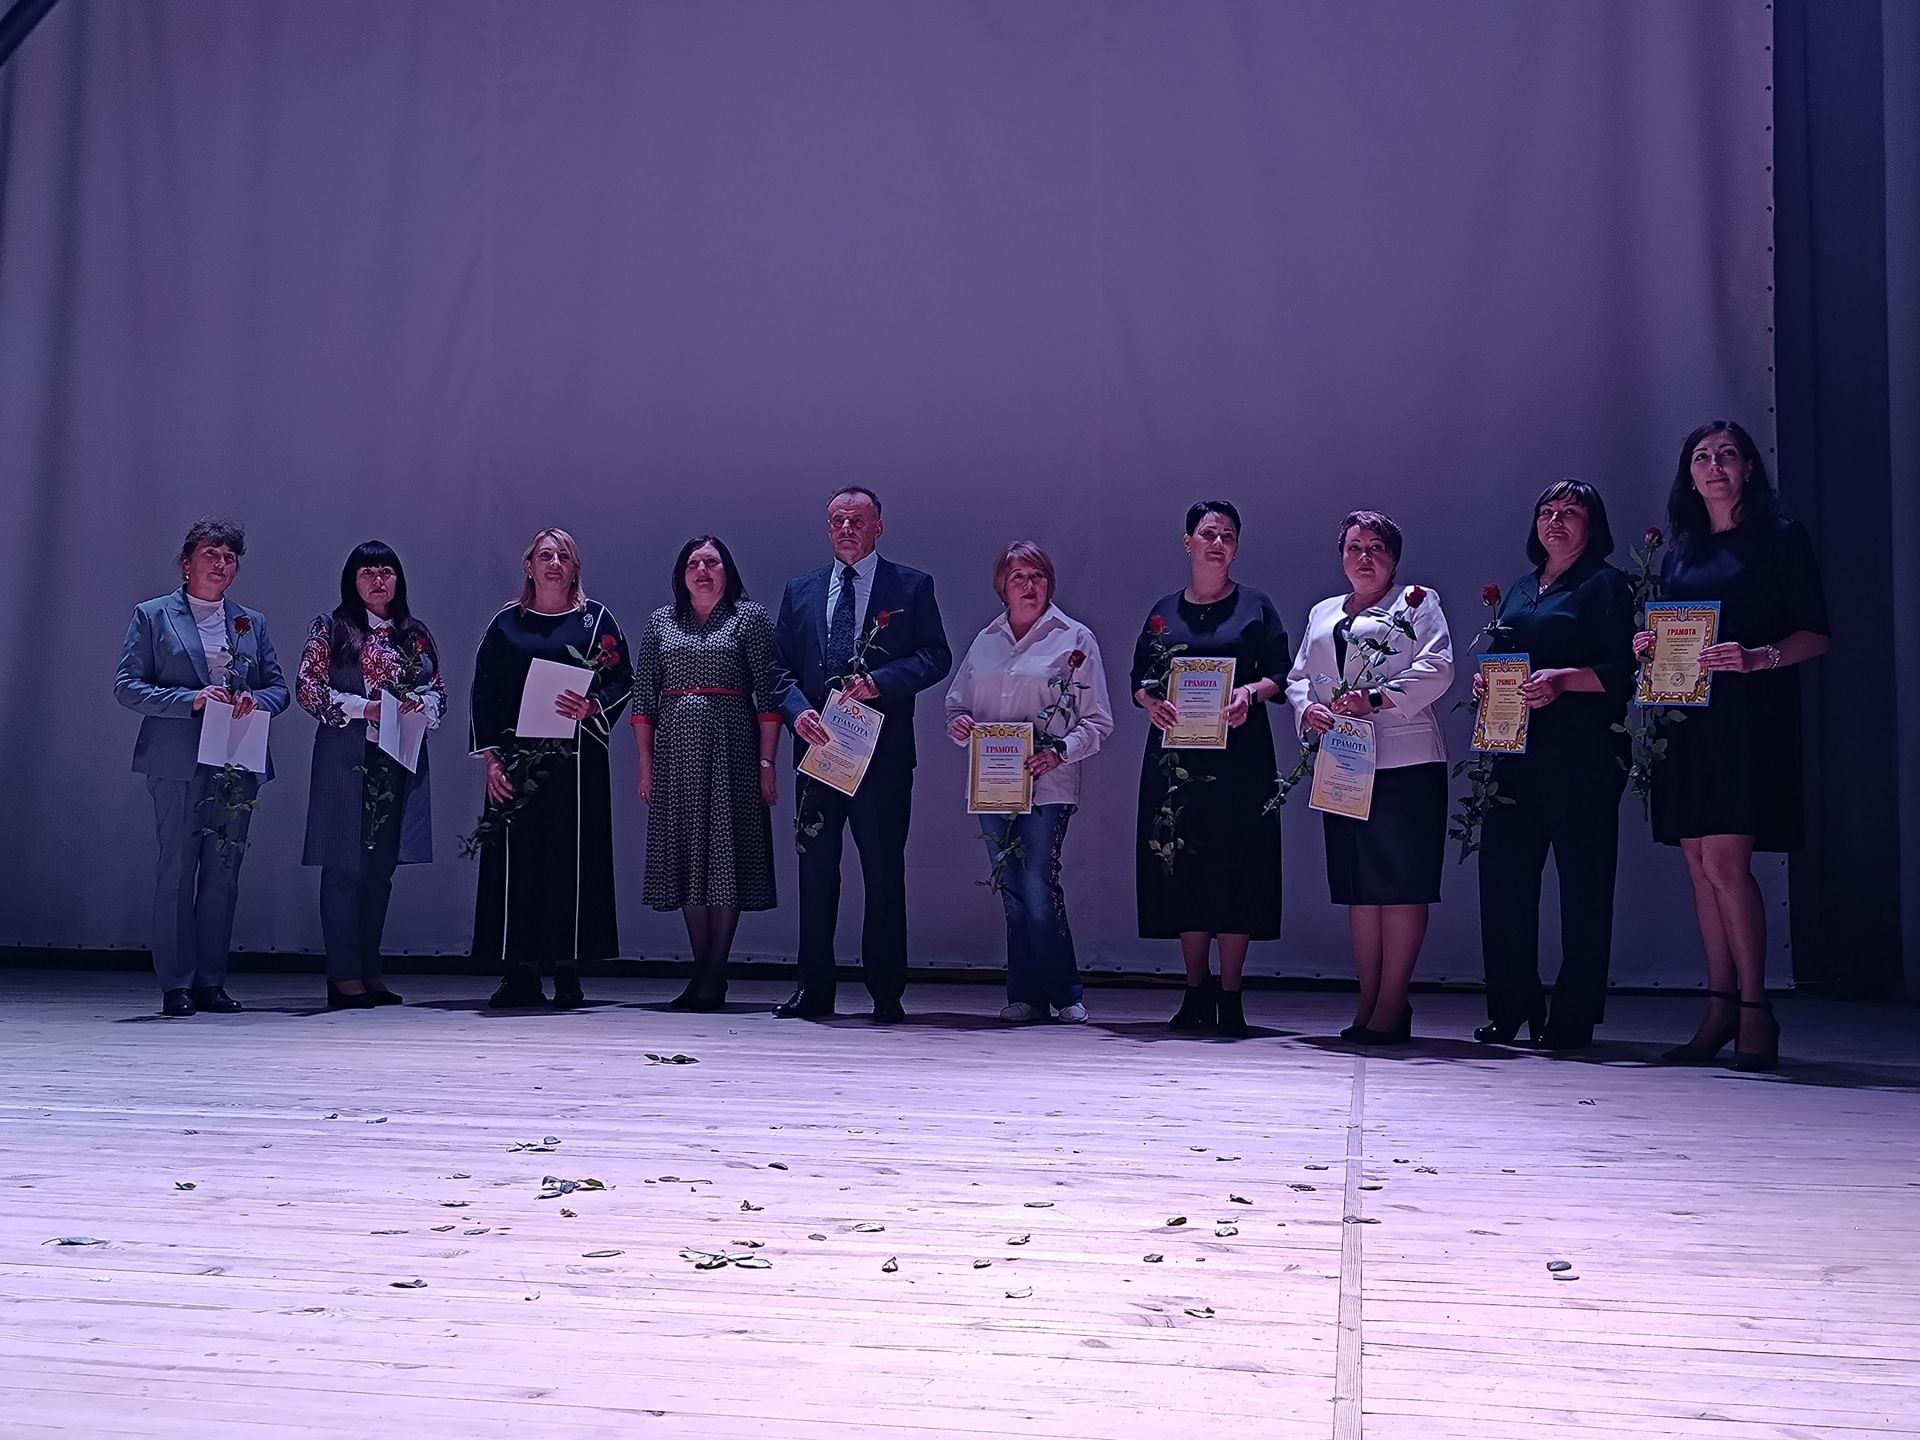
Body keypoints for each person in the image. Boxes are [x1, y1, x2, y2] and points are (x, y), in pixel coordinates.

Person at [1639, 421, 1829, 1071]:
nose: (1714, 465)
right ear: (1689, 476)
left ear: (1748, 467)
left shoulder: (1780, 538)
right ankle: (1719, 1007)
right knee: (1699, 865)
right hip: (1688, 721)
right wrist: (1650, 645)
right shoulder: (1679, 553)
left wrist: (1756, 656)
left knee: (1725, 863)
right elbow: (1676, 636)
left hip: (1749, 719)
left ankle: (1755, 1009)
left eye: (1727, 454)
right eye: (1701, 456)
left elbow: (1816, 634)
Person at [769, 486, 952, 1023]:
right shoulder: (801, 589)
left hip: (881, 756)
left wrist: (881, 682)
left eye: (857, 520)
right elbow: (778, 669)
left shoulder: (911, 585)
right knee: (815, 873)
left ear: (879, 528)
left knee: (883, 873)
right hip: (819, 752)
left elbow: (936, 655)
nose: (847, 528)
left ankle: (886, 992)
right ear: (828, 528)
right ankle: (813, 989)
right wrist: (798, 712)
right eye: (838, 521)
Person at [1473, 480, 1637, 1051]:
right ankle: (1512, 1007)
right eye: (1547, 511)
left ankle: (1573, 1016)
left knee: (1584, 887)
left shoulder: (1608, 584)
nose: (1556, 521)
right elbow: (1509, 657)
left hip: (1583, 757)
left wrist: (1565, 681)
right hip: (1516, 754)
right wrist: (1489, 679)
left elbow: (1629, 673)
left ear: (1594, 525)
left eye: (1570, 512)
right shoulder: (1522, 588)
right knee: (1504, 883)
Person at [1286, 512, 1453, 1045]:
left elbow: (1439, 667)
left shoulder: (1416, 602)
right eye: (1354, 547)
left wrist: (1375, 698)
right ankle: (1369, 1000)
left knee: (1400, 884)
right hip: (1345, 762)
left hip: (1406, 761)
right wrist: (1308, 710)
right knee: (1359, 887)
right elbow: (1299, 678)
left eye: (1376, 547)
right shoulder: (1323, 611)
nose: (1364, 556)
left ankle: (1392, 1001)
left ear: (1394, 558)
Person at [114, 518, 291, 1017]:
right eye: (211, 554)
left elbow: (279, 689)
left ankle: (211, 981)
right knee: (176, 868)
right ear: (186, 562)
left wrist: (254, 699)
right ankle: (177, 984)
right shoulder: (153, 615)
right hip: (177, 759)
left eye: (230, 557)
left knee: (223, 871)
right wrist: (190, 699)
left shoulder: (250, 621)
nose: (221, 563)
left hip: (236, 756)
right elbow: (127, 686)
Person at [1131, 500, 1290, 1040]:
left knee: (1240, 866)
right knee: (1186, 865)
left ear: (1236, 547)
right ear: (1188, 543)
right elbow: (1140, 679)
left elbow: (1281, 675)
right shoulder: (1163, 611)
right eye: (1208, 533)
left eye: (1228, 536)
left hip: (1241, 759)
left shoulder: (1256, 607)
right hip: (1177, 760)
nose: (1217, 543)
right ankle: (1195, 989)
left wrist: (1249, 692)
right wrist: (1151, 703)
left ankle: (1231, 995)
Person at [945, 542, 1114, 1024]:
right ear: (1002, 586)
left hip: (1048, 784)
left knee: (1039, 885)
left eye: (1037, 575)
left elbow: (1098, 721)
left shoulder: (1074, 638)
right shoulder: (986, 640)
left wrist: (1060, 751)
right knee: (1012, 890)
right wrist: (958, 725)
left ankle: (1065, 993)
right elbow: (956, 705)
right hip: (993, 787)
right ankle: (1025, 995)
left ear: (1050, 582)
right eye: (1017, 576)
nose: (1028, 585)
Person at [469, 529, 632, 1009]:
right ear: (529, 566)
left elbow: (623, 679)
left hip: (576, 768)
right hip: (516, 765)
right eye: (545, 555)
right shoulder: (506, 624)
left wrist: (592, 705)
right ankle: (519, 971)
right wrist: (492, 762)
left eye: (564, 556)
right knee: (517, 865)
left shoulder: (595, 621)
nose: (554, 563)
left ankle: (567, 968)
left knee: (570, 862)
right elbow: (484, 694)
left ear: (574, 566)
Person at [632, 536, 781, 1012]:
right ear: (682, 573)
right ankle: (704, 971)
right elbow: (643, 702)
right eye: (693, 563)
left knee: (725, 855)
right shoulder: (661, 621)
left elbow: (770, 699)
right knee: (687, 855)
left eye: (711, 562)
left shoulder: (749, 618)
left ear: (726, 570)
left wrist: (767, 763)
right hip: (675, 752)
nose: (702, 570)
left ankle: (714, 972)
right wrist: (645, 765)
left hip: (733, 750)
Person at [296, 542, 447, 1010]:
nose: (378, 580)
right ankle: (343, 975)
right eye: (367, 572)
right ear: (352, 580)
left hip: (397, 757)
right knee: (344, 867)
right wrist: (367, 708)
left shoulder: (414, 633)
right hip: (347, 757)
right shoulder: (331, 627)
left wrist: (423, 703)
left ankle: (369, 969)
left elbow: (438, 690)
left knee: (381, 871)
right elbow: (308, 689)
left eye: (386, 571)